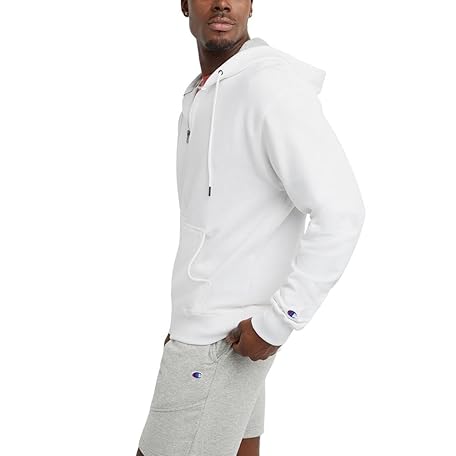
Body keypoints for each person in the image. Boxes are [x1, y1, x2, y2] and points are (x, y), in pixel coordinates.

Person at [137, 1, 366, 455]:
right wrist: (184, 321)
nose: (222, 2)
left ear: (251, 4)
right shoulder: (200, 93)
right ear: (184, 4)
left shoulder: (270, 86)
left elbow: (342, 211)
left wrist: (280, 320)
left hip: (224, 340)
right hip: (217, 333)